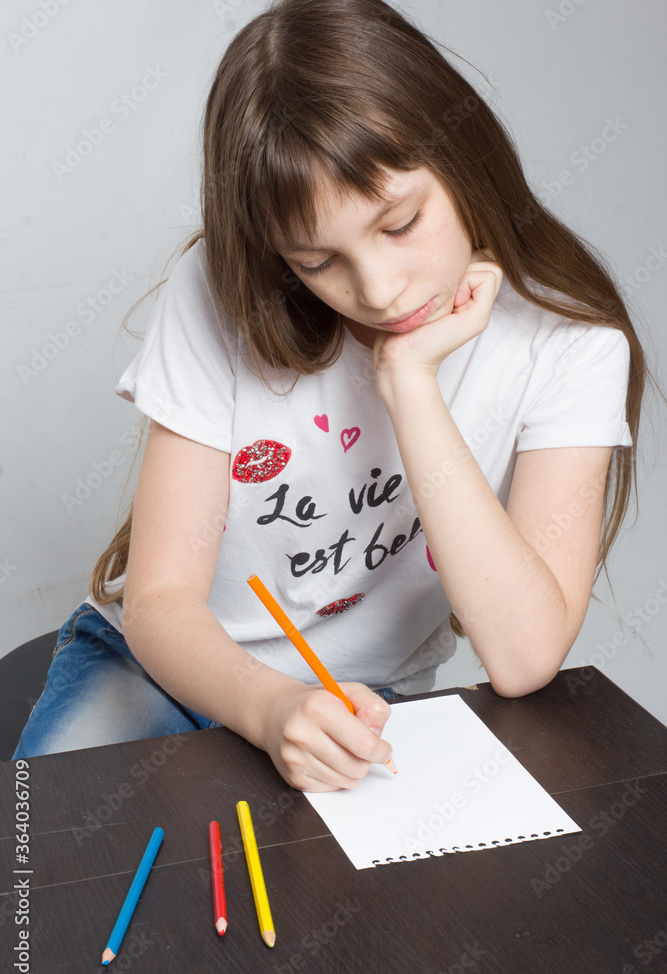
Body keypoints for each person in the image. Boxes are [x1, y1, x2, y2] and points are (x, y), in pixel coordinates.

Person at [13, 0, 656, 792]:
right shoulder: (215, 292)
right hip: (158, 666)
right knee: (45, 884)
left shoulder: (568, 345)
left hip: (362, 701)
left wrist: (409, 385)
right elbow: (159, 601)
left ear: (464, 158)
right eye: (318, 262)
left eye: (400, 222)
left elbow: (522, 658)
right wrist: (270, 706)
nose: (380, 292)